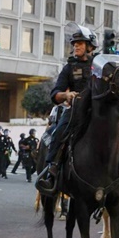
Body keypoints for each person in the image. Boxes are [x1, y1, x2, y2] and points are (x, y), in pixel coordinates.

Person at [36, 24, 98, 193]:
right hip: (76, 112)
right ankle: (51, 171)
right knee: (58, 132)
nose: (75, 46)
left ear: (90, 46)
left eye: (80, 43)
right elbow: (55, 93)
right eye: (74, 43)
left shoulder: (100, 65)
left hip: (99, 111)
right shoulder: (69, 67)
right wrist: (66, 96)